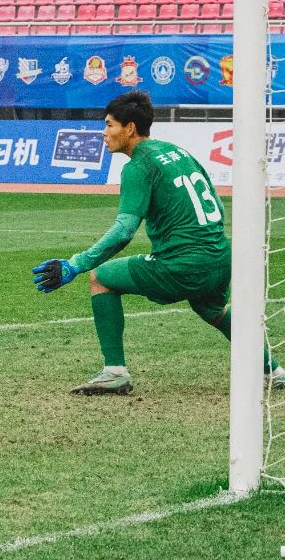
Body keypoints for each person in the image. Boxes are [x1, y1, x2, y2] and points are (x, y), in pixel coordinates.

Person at [33, 90, 282, 394]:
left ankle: (115, 372)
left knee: (100, 278)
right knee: (213, 310)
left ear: (130, 128)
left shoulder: (138, 166)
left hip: (183, 265)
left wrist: (75, 265)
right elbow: (217, 203)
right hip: (220, 257)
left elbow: (124, 231)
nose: (104, 133)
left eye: (109, 125)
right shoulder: (178, 151)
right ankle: (274, 370)